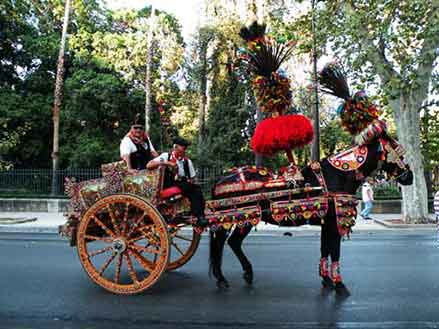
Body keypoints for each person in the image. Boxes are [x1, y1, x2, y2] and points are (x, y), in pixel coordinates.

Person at [147, 136, 208, 227]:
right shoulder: (166, 156)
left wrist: (188, 181)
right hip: (167, 184)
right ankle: (199, 216)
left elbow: (192, 178)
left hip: (182, 184)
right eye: (183, 147)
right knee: (194, 189)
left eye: (185, 148)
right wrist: (166, 163)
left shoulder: (187, 162)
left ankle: (198, 215)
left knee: (195, 189)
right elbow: (149, 165)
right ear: (175, 147)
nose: (185, 150)